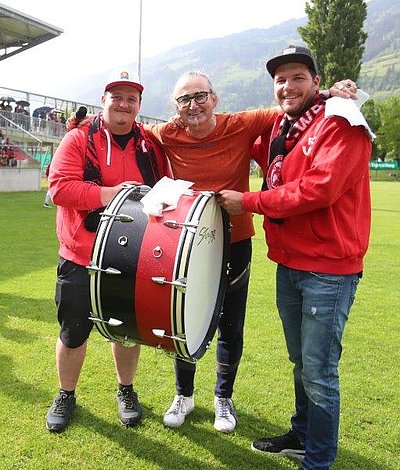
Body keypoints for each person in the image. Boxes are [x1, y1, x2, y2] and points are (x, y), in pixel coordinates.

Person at [68, 71, 354, 434]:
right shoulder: (166, 133)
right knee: (179, 317)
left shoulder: (242, 123)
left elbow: (290, 105)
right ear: (175, 108)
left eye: (200, 96)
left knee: (230, 324)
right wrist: (81, 126)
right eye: (185, 100)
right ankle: (183, 394)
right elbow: (129, 129)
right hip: (181, 243)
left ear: (214, 98)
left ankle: (223, 397)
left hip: (235, 240)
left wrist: (331, 91)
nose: (193, 105)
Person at [217, 46, 372, 467]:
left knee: (319, 373)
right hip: (291, 264)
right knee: (301, 362)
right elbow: (239, 144)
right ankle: (303, 436)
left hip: (329, 269)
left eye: (298, 76)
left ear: (316, 82)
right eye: (281, 79)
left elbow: (318, 189)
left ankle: (317, 460)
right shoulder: (283, 131)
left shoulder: (341, 120)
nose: (288, 86)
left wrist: (248, 200)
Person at [46, 69, 171, 433]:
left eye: (131, 99)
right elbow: (59, 189)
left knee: (128, 330)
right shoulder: (77, 138)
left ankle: (126, 390)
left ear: (139, 106)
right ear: (104, 101)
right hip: (80, 256)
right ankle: (66, 394)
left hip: (131, 255)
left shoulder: (149, 143)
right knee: (73, 333)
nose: (124, 104)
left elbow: (163, 188)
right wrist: (111, 192)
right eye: (117, 96)